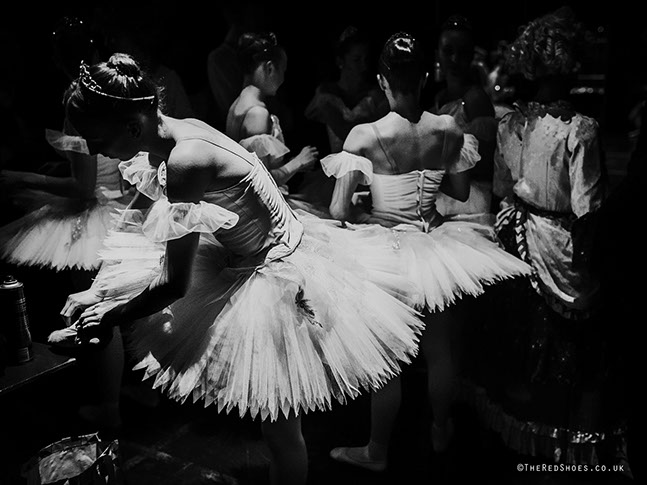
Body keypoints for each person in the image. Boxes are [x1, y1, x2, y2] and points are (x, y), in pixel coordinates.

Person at [57, 52, 426, 485]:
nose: (93, 150)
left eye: (97, 140)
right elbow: (138, 213)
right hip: (257, 254)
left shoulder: (185, 159)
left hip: (277, 275)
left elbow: (174, 284)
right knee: (279, 431)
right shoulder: (176, 132)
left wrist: (110, 314)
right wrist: (100, 288)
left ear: (132, 127)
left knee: (282, 434)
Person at [318, 32, 531, 473]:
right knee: (439, 349)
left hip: (386, 249)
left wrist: (369, 205)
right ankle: (439, 429)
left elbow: (338, 209)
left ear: (382, 80)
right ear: (425, 77)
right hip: (434, 247)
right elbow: (459, 190)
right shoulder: (448, 128)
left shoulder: (364, 136)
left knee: (389, 356)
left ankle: (378, 450)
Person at [476, 7, 629, 472]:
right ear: (569, 65)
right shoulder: (580, 129)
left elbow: (502, 188)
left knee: (521, 342)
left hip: (516, 237)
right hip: (560, 245)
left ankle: (520, 440)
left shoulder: (510, 124)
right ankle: (565, 445)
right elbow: (587, 207)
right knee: (568, 349)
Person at [226, 31, 330, 217]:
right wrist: (297, 163)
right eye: (283, 70)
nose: (283, 79)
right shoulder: (257, 113)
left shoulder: (236, 105)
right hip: (262, 211)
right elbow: (261, 182)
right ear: (269, 68)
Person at [430, 14, 498, 217]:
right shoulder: (440, 97)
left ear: (471, 55)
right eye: (448, 51)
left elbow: (485, 166)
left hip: (469, 201)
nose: (455, 59)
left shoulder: (475, 99)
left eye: (463, 52)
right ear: (438, 54)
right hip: (445, 196)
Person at [304, 25, 389, 155]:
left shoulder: (375, 95)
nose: (364, 66)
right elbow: (344, 132)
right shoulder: (327, 94)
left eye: (366, 59)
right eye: (356, 60)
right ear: (340, 61)